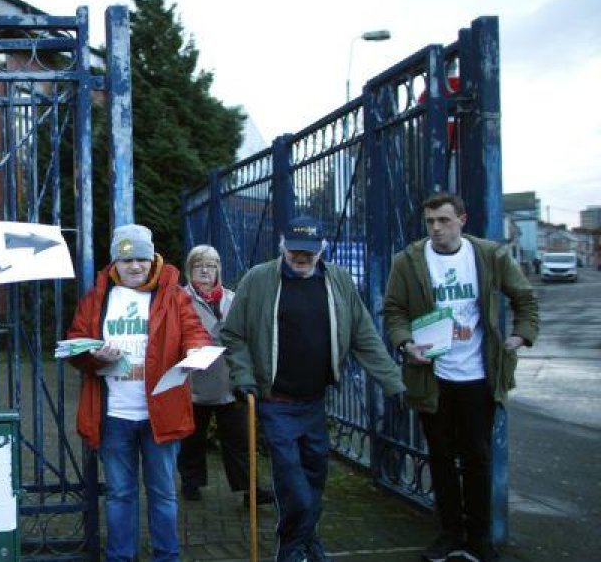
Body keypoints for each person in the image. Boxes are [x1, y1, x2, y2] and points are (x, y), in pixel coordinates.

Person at [221, 216, 404, 562]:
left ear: (322, 249)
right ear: (282, 246)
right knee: (292, 483)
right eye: (294, 251)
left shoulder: (338, 280)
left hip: (315, 401)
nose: (301, 258)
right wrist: (243, 375)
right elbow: (232, 333)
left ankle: (305, 540)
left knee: (315, 476)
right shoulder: (259, 279)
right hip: (276, 401)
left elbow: (364, 335)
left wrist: (393, 382)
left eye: (309, 251)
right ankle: (292, 548)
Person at [384, 192, 539, 562]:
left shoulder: (489, 255)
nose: (436, 228)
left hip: (478, 377)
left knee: (477, 458)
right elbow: (394, 310)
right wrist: (406, 344)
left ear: (462, 220)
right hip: (432, 376)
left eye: (444, 220)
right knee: (440, 457)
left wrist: (520, 335)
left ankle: (479, 538)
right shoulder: (408, 261)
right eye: (430, 222)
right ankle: (450, 533)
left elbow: (525, 298)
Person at [67, 223, 212, 562]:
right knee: (120, 494)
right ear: (114, 263)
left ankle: (167, 556)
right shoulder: (96, 298)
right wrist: (93, 355)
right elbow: (75, 343)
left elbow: (195, 332)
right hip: (113, 415)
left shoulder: (174, 295)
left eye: (142, 259)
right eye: (126, 260)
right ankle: (121, 557)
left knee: (163, 493)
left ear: (153, 259)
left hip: (160, 414)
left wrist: (196, 350)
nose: (135, 267)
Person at [175, 244, 273, 507]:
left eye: (210, 265)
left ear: (218, 269)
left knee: (240, 438)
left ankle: (249, 490)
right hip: (194, 380)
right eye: (198, 265)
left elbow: (247, 333)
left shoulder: (233, 298)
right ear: (189, 270)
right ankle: (191, 481)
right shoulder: (179, 299)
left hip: (230, 379)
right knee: (192, 438)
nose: (205, 270)